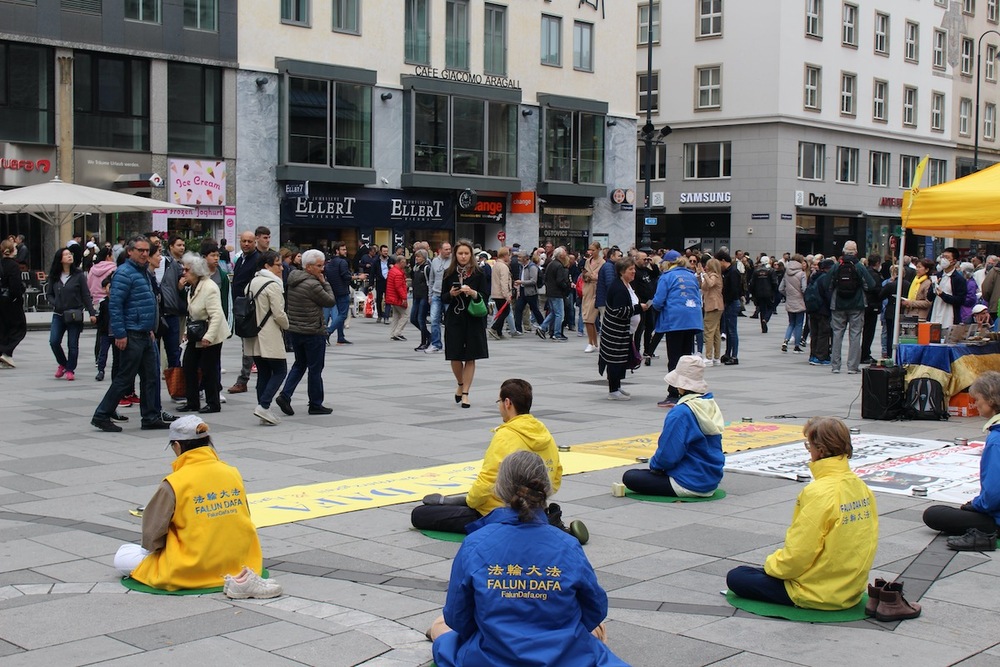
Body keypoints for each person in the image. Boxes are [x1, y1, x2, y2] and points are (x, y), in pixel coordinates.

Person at [427, 450, 626, 667]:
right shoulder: (567, 544)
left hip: (490, 658)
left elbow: (457, 616)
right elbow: (595, 608)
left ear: (500, 488)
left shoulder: (476, 543)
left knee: (442, 626)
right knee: (597, 629)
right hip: (564, 657)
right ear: (546, 489)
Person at [112, 416, 281, 597]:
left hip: (191, 566)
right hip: (239, 561)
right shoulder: (232, 472)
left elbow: (152, 534)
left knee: (122, 556)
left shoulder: (174, 483)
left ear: (177, 445)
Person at [726, 417, 879, 611]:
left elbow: (799, 555)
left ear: (820, 450)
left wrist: (772, 565)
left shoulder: (819, 492)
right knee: (756, 572)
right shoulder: (860, 485)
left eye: (809, 445)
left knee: (737, 576)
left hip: (818, 591)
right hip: (851, 587)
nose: (809, 451)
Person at [91, 236, 168, 433]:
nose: (144, 254)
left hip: (144, 332)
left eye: (146, 251)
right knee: (125, 377)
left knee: (151, 376)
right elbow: (115, 305)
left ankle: (151, 416)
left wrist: (149, 327)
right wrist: (120, 333)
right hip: (132, 334)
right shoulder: (125, 273)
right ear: (130, 252)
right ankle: (102, 415)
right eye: (140, 250)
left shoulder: (142, 273)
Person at [622, 355, 724, 496]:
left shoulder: (681, 412)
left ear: (679, 385)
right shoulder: (709, 404)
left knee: (631, 476)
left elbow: (668, 454)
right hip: (711, 479)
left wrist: (655, 466)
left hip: (688, 482)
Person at [923, 371, 1000, 550]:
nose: (975, 403)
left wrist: (976, 505)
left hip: (996, 517)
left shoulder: (996, 440)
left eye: (977, 399)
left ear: (990, 400)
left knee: (934, 514)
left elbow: (994, 494)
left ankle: (990, 532)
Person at [276, 249, 335, 416]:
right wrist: (325, 282)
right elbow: (330, 301)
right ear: (308, 267)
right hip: (312, 331)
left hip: (296, 329)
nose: (322, 269)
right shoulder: (313, 284)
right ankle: (315, 403)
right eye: (319, 266)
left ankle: (285, 395)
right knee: (315, 368)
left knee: (300, 364)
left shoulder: (293, 279)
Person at [651, 250, 704, 407]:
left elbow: (658, 301)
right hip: (693, 318)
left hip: (675, 320)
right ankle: (687, 392)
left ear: (667, 263)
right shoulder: (691, 275)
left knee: (674, 358)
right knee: (686, 358)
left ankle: (673, 393)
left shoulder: (666, 277)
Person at [244, 250, 290, 426]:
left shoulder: (252, 283)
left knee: (263, 372)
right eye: (278, 265)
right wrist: (287, 325)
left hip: (253, 334)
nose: (282, 268)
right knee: (280, 370)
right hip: (269, 333)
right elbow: (279, 313)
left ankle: (263, 408)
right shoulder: (273, 285)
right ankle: (264, 406)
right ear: (267, 266)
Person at [442, 239, 489, 409]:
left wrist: (473, 293)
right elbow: (443, 298)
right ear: (455, 255)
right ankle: (461, 384)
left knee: (471, 356)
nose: (463, 256)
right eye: (460, 253)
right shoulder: (449, 273)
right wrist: (451, 293)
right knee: (454, 355)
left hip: (473, 319)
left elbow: (485, 295)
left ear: (471, 255)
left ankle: (466, 393)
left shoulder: (479, 273)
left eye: (466, 253)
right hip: (454, 318)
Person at [178, 252, 226, 415]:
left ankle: (213, 403)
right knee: (189, 365)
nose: (183, 272)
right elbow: (192, 314)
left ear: (196, 272)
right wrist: (186, 331)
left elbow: (216, 314)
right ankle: (192, 402)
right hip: (196, 333)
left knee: (209, 369)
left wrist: (209, 337)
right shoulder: (192, 287)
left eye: (187, 270)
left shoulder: (209, 287)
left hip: (210, 333)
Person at [822, 241, 876, 374]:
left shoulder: (837, 266)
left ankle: (835, 365)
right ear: (856, 252)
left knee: (837, 334)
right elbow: (872, 284)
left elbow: (825, 283)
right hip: (857, 304)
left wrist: (833, 288)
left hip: (838, 304)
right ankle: (852, 366)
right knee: (855, 334)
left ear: (843, 252)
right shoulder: (859, 266)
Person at [599, 258, 649, 400]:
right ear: (622, 272)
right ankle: (613, 390)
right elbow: (619, 311)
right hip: (616, 332)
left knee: (622, 360)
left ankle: (617, 386)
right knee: (615, 360)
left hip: (625, 331)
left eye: (634, 268)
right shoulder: (618, 288)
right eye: (630, 269)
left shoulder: (626, 285)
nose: (634, 272)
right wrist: (640, 308)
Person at [46, 248, 97, 382]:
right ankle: (63, 363)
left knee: (72, 344)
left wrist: (92, 312)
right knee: (54, 341)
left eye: (70, 254)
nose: (69, 256)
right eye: (66, 255)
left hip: (75, 314)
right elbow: (49, 294)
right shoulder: (55, 275)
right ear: (60, 259)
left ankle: (70, 369)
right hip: (58, 314)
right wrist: (55, 303)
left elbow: (86, 295)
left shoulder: (78, 275)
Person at [229, 226, 270, 394]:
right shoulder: (241, 259)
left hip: (251, 307)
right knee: (248, 344)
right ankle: (255, 377)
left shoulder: (257, 260)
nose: (246, 244)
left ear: (255, 242)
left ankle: (244, 379)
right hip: (241, 307)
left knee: (249, 344)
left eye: (249, 242)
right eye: (243, 241)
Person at [325, 241, 359, 346]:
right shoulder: (342, 262)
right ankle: (328, 332)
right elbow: (346, 277)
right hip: (342, 291)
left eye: (345, 249)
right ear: (337, 251)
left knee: (339, 314)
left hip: (333, 290)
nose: (345, 251)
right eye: (343, 249)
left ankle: (341, 337)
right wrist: (358, 277)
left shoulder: (329, 263)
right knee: (343, 315)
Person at [0, 238, 26, 368]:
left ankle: (4, 353)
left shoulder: (1, 264)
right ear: (12, 250)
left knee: (3, 328)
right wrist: (20, 295)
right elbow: (15, 286)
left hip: (1, 300)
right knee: (20, 328)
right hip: (11, 302)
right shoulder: (13, 266)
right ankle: (6, 352)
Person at [537, 247, 571, 341]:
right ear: (561, 255)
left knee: (553, 312)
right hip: (557, 293)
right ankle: (557, 333)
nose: (565, 254)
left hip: (550, 292)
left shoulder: (551, 264)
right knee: (560, 314)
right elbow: (560, 281)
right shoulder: (559, 266)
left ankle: (542, 327)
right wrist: (566, 286)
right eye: (564, 253)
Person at [928, 247, 967, 327]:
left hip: (949, 314)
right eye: (943, 257)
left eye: (947, 258)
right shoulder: (937, 276)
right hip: (935, 312)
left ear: (954, 261)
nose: (943, 260)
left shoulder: (959, 279)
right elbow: (929, 297)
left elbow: (960, 300)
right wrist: (933, 287)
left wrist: (943, 295)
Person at [716, 250, 742, 365]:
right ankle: (728, 353)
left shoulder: (733, 272)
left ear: (723, 261)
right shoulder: (728, 271)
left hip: (731, 303)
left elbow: (734, 290)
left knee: (732, 330)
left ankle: (734, 355)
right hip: (728, 303)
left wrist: (726, 301)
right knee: (728, 330)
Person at [778, 254, 808, 354]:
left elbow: (781, 288)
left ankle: (785, 341)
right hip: (799, 301)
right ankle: (797, 345)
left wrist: (788, 295)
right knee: (799, 324)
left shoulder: (787, 273)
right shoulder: (802, 274)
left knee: (791, 323)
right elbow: (804, 288)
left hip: (790, 300)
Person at [426, 242, 452, 354]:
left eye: (449, 249)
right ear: (440, 250)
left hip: (448, 294)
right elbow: (431, 279)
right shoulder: (435, 261)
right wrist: (430, 295)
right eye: (446, 249)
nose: (448, 251)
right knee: (434, 320)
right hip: (436, 294)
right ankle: (436, 344)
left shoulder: (453, 261)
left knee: (450, 321)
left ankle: (451, 344)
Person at [700, 257, 724, 365]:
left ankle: (709, 357)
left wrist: (704, 274)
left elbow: (710, 284)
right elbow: (704, 287)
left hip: (713, 305)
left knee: (709, 331)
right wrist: (700, 276)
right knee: (715, 332)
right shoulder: (713, 276)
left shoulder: (714, 276)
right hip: (716, 305)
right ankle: (716, 357)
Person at [581, 242, 604, 353]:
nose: (591, 252)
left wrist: (591, 276)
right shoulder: (587, 261)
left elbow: (599, 277)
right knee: (587, 319)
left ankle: (592, 343)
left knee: (589, 318)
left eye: (593, 250)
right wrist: (588, 276)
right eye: (590, 250)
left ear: (599, 249)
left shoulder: (602, 262)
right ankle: (593, 342)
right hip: (587, 290)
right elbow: (584, 274)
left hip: (596, 291)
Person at [488, 246, 515, 340]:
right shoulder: (503, 267)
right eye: (509, 255)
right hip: (501, 294)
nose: (510, 257)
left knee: (501, 312)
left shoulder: (496, 265)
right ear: (505, 255)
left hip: (495, 293)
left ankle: (499, 332)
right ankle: (494, 328)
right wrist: (507, 295)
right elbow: (504, 282)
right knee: (505, 312)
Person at [410, 248, 432, 351]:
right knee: (413, 318)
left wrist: (429, 296)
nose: (417, 258)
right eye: (416, 256)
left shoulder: (427, 268)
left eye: (418, 257)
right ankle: (429, 336)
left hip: (424, 296)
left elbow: (429, 283)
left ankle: (424, 341)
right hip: (416, 296)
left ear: (424, 258)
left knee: (421, 319)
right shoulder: (415, 268)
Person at [386, 255, 410, 341]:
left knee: (396, 315)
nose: (406, 264)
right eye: (404, 262)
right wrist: (404, 298)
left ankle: (393, 333)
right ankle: (397, 333)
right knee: (405, 315)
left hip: (392, 297)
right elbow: (399, 287)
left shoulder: (392, 271)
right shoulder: (398, 273)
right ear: (401, 262)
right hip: (397, 298)